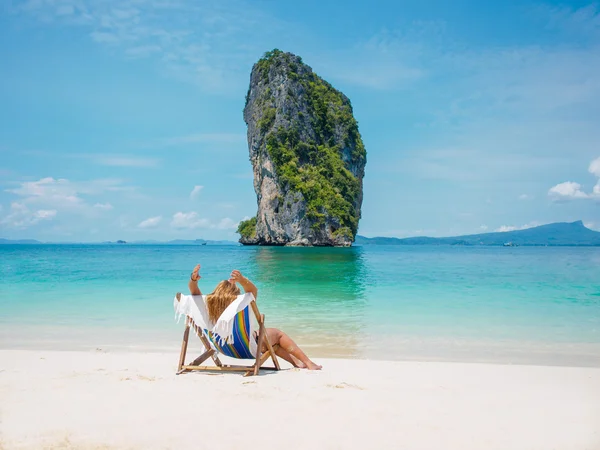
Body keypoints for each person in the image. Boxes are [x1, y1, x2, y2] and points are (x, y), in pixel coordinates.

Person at [188, 264, 322, 370]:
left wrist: (193, 280)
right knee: (278, 335)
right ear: (234, 293)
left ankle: (297, 363)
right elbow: (253, 291)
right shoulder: (239, 305)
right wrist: (241, 280)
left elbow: (194, 292)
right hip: (248, 349)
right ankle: (308, 363)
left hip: (225, 349)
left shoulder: (206, 307)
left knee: (271, 342)